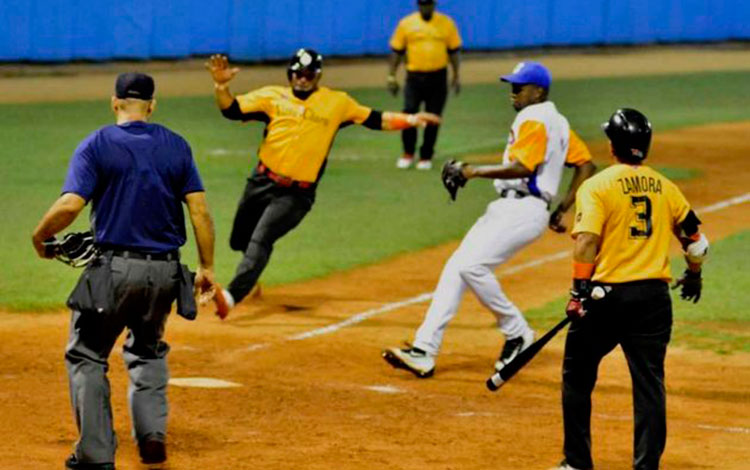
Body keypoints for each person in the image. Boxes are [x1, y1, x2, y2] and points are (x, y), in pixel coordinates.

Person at [31, 73, 216, 470]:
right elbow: (199, 211)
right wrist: (206, 267)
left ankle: (96, 454)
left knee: (86, 354)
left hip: (114, 272)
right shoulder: (176, 145)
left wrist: (40, 236)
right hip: (166, 273)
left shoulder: (97, 143)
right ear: (152, 105)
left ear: (114, 102)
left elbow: (70, 206)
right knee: (147, 348)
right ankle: (152, 435)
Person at [383, 61, 596, 378]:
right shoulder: (558, 121)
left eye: (519, 87)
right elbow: (586, 165)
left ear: (538, 91)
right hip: (515, 208)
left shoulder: (535, 117)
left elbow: (524, 167)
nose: (512, 93)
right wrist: (562, 208)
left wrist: (472, 171)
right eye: (511, 86)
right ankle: (425, 349)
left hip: (522, 209)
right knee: (456, 267)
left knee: (471, 266)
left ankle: (517, 332)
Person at [205, 50, 441, 317]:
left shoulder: (336, 102)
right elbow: (231, 110)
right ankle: (251, 276)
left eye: (309, 74)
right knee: (239, 240)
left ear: (317, 76)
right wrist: (221, 86)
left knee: (263, 237)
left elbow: (375, 119)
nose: (303, 79)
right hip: (261, 181)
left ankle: (232, 296)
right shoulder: (272, 96)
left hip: (297, 194)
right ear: (290, 74)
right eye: (298, 74)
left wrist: (411, 119)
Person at [549, 108, 708, 470]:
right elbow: (696, 243)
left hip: (605, 299)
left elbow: (586, 241)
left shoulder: (597, 185)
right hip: (653, 301)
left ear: (612, 146)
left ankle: (576, 462)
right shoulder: (667, 187)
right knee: (649, 385)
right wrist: (694, 274)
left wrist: (577, 293)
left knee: (577, 377)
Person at [388, 0, 462, 170]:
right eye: (422, 4)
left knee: (433, 117)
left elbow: (454, 51)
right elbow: (397, 51)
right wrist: (391, 75)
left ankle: (426, 156)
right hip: (414, 77)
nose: (425, 7)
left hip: (438, 77)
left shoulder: (446, 23)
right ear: (418, 5)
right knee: (409, 113)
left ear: (434, 4)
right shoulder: (406, 23)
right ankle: (408, 153)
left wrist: (456, 76)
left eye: (428, 4)